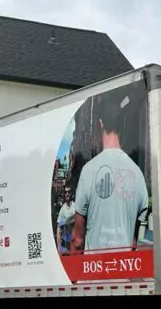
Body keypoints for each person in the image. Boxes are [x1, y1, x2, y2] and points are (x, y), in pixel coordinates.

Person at [71, 93, 149, 252]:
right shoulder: (137, 175)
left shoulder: (88, 171)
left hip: (94, 273)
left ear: (100, 124)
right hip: (122, 272)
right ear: (121, 126)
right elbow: (134, 241)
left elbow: (77, 240)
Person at [55, 186, 76, 253]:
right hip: (67, 243)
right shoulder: (62, 210)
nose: (67, 194)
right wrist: (59, 246)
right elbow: (58, 227)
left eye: (69, 192)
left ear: (71, 194)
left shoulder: (76, 206)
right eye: (65, 192)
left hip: (76, 241)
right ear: (64, 194)